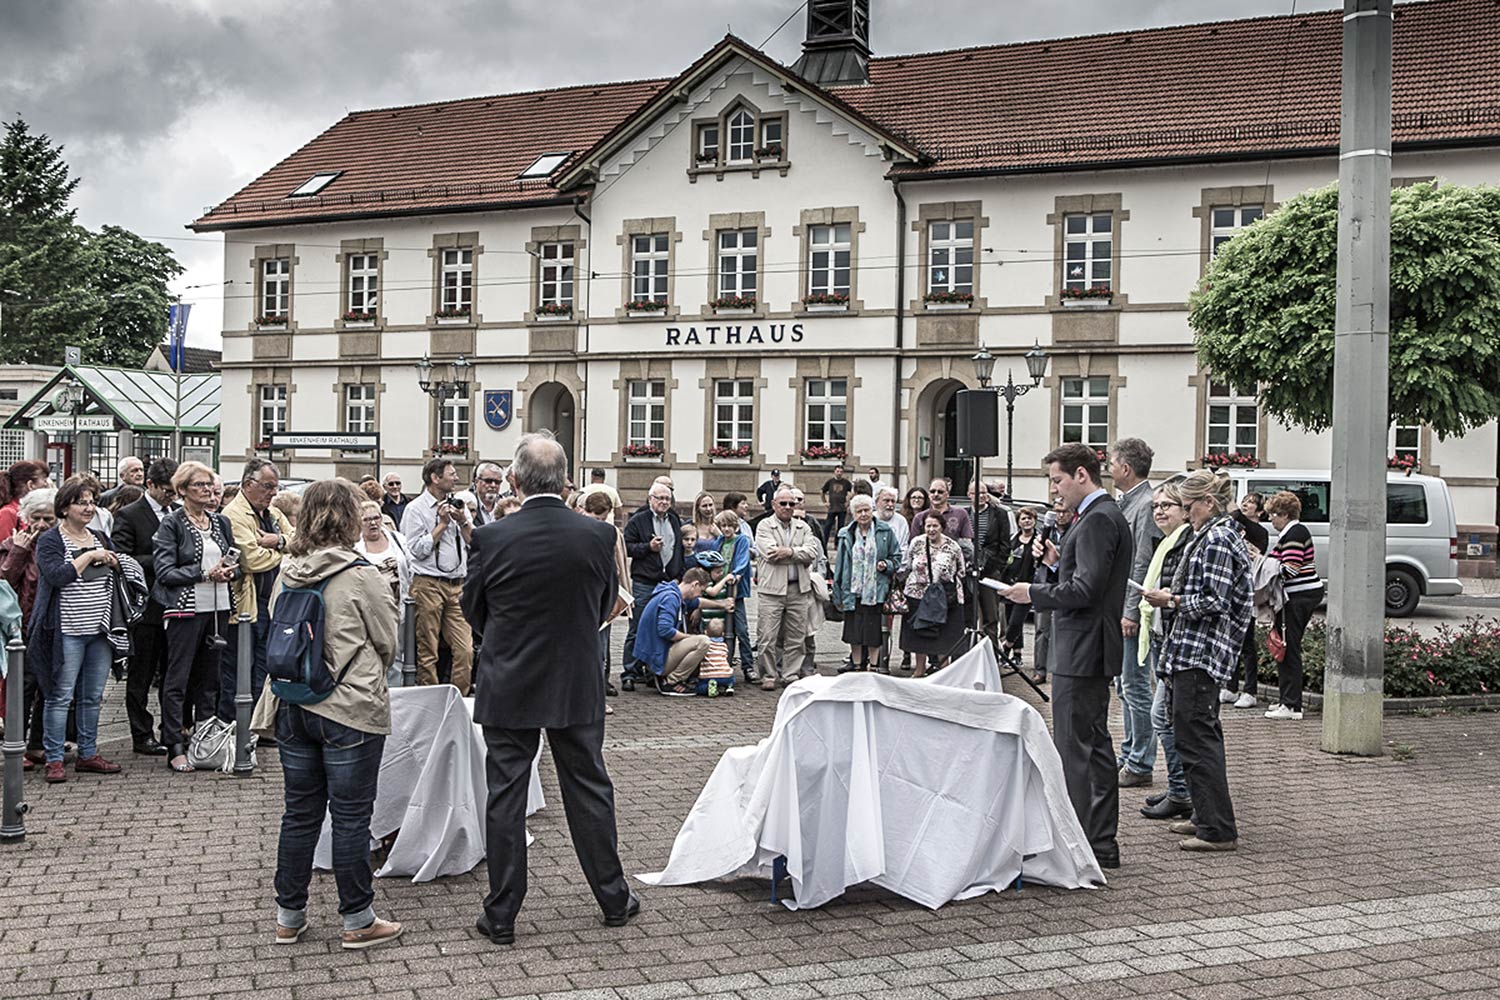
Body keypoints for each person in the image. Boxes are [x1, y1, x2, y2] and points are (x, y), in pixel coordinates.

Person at [462, 431, 638, 945]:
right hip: (574, 677)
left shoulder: (492, 537)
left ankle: (501, 914)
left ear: (514, 480)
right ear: (565, 482)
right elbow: (605, 603)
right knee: (588, 788)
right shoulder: (597, 535)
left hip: (509, 677)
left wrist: (506, 638)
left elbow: (474, 608)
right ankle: (613, 898)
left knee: (506, 795)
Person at [252, 478, 404, 950]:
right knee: (351, 816)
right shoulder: (361, 575)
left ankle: (288, 915)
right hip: (348, 707)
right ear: (350, 518)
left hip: (293, 702)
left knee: (299, 813)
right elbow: (388, 640)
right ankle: (358, 918)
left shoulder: (288, 571)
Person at [998, 443, 1132, 871]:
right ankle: (1096, 840)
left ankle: (1084, 843)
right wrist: (1057, 565)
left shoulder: (1098, 519)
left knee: (1079, 749)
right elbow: (1087, 581)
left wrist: (1033, 591)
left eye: (1057, 480)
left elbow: (1087, 591)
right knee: (1090, 744)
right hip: (1087, 645)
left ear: (1081, 475)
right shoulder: (1100, 515)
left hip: (1083, 647)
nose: (1054, 490)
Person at [1141, 470, 1251, 852]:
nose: (1186, 514)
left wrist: (1171, 600)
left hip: (1201, 653)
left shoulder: (1218, 538)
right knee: (1193, 738)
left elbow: (1215, 600)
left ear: (1209, 502)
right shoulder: (1212, 534)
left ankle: (1217, 829)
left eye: (1189, 506)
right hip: (1192, 651)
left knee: (1199, 741)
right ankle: (1205, 816)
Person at [28, 477, 135, 783]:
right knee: (59, 695)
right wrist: (89, 556)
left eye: (92, 502)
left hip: (100, 631)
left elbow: (118, 573)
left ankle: (88, 753)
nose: (88, 508)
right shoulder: (51, 540)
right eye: (81, 503)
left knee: (92, 696)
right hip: (65, 631)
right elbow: (57, 576)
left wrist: (115, 562)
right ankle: (54, 758)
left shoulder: (100, 536)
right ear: (64, 508)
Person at [153, 460, 237, 774]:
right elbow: (164, 571)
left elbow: (236, 559)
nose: (207, 490)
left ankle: (204, 741)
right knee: (178, 677)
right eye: (199, 485)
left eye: (209, 485)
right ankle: (174, 744)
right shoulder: (172, 524)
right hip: (185, 608)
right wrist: (203, 574)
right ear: (183, 489)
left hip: (218, 606)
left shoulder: (219, 522)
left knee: (211, 678)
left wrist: (231, 571)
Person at [111, 457, 178, 755]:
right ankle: (141, 734)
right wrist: (164, 560)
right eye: (167, 491)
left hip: (177, 605)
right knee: (141, 675)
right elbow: (122, 558)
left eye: (175, 491)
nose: (171, 497)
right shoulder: (130, 515)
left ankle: (172, 729)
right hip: (147, 608)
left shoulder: (177, 512)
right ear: (150, 485)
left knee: (173, 673)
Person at [220, 458, 293, 727]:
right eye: (268, 486)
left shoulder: (272, 513)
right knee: (239, 669)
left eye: (275, 487)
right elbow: (251, 559)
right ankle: (233, 727)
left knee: (264, 667)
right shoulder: (235, 514)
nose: (273, 493)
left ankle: (256, 726)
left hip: (273, 602)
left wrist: (278, 541)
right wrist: (285, 555)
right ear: (248, 484)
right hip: (246, 606)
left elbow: (301, 539)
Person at [1137, 483, 1195, 821]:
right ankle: (1179, 787)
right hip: (1162, 636)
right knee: (1164, 716)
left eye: (1167, 505)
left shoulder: (1184, 542)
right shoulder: (1167, 542)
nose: (1159, 511)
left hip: (1175, 641)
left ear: (1184, 510)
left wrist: (1167, 599)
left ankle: (1181, 791)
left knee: (1162, 716)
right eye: (1156, 506)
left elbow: (1182, 594)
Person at [1110, 437, 1161, 790]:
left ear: (1126, 468)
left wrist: (1130, 611)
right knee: (1125, 686)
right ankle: (1130, 752)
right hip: (1122, 607)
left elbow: (1141, 562)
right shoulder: (1130, 501)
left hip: (1134, 610)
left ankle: (1141, 761)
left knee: (1136, 685)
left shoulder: (1144, 505)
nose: (1109, 468)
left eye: (1112, 463)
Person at [403, 458, 474, 694]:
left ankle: (458, 700)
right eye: (451, 474)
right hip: (428, 584)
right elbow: (416, 550)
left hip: (457, 585)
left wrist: (462, 520)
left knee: (465, 649)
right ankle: (430, 701)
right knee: (428, 650)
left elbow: (474, 542)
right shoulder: (415, 509)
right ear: (435, 478)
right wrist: (442, 525)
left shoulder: (458, 504)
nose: (456, 478)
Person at [2, 488, 56, 768]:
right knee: (23, 687)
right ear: (25, 517)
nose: (42, 524)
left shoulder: (58, 544)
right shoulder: (13, 544)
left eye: (49, 518)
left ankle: (37, 744)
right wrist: (19, 551)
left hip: (52, 625)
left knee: (48, 686)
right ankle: (16, 744)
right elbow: (5, 581)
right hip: (22, 627)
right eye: (36, 518)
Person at [753, 487, 821, 691]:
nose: (788, 507)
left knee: (796, 636)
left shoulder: (804, 527)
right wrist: (798, 555)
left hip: (798, 589)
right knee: (767, 636)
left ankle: (790, 674)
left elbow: (812, 552)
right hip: (771, 590)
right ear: (774, 505)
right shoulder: (764, 525)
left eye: (792, 503)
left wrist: (789, 552)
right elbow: (770, 553)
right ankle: (768, 675)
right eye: (783, 503)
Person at [1263, 490, 1322, 721]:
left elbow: (1290, 569)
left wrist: (1263, 563)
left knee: (1287, 648)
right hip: (1298, 596)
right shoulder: (1293, 532)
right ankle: (1287, 700)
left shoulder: (1295, 533)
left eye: (1273, 514)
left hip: (1296, 597)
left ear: (1285, 514)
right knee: (1287, 647)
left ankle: (1291, 705)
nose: (1271, 519)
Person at [620, 481, 684, 691]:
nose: (664, 502)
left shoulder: (674, 519)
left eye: (667, 499)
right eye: (660, 498)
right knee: (638, 627)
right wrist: (648, 547)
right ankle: (630, 672)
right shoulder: (639, 520)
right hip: (645, 582)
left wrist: (678, 575)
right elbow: (626, 547)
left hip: (668, 582)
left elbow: (678, 550)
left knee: (661, 627)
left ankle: (652, 671)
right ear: (650, 499)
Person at [833, 495, 899, 672]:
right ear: (853, 514)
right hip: (852, 590)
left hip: (875, 591)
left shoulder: (885, 531)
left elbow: (897, 557)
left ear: (872, 510)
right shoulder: (845, 534)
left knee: (872, 632)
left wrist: (886, 565)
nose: (863, 514)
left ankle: (874, 666)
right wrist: (837, 590)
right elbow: (839, 565)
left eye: (866, 510)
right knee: (854, 631)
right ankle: (856, 665)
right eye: (859, 511)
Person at [898, 512, 967, 678]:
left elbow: (961, 571)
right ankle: (919, 670)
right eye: (928, 526)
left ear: (942, 527)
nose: (931, 529)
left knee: (944, 635)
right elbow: (909, 565)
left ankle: (944, 672)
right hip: (917, 595)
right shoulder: (917, 542)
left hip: (944, 597)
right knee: (919, 634)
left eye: (935, 525)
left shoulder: (952, 546)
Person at [1221, 498, 1270, 709]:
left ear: (1259, 511)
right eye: (1244, 501)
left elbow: (1239, 517)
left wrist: (1227, 498)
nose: (1245, 505)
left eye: (1251, 503)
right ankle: (1231, 687)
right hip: (1232, 589)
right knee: (1230, 641)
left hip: (1248, 592)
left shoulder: (1260, 532)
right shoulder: (1235, 526)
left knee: (1247, 644)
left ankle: (1250, 691)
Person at [633, 567, 712, 696]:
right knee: (703, 641)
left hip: (653, 655)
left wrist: (722, 604)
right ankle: (671, 682)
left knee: (696, 640)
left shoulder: (671, 593)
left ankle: (667, 678)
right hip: (657, 658)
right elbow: (665, 631)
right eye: (701, 591)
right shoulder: (671, 598)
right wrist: (688, 637)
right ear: (695, 584)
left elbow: (697, 603)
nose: (700, 594)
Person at [582, 490, 629, 704]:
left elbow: (615, 568)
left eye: (603, 518)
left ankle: (598, 696)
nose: (599, 523)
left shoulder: (608, 533)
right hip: (583, 600)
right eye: (596, 518)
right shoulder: (577, 531)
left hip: (602, 600)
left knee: (601, 650)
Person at [969, 479, 1012, 658]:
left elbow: (1005, 544)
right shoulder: (964, 514)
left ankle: (991, 656)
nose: (981, 496)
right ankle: (968, 656)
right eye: (976, 493)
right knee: (969, 617)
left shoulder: (999, 514)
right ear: (969, 495)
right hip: (969, 571)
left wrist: (997, 566)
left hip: (990, 571)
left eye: (983, 492)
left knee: (991, 617)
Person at [711, 509, 753, 680]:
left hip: (736, 590)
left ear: (736, 526)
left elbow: (743, 561)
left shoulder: (741, 540)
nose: (726, 529)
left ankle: (748, 665)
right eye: (723, 526)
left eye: (730, 525)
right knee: (723, 629)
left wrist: (735, 575)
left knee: (741, 630)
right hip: (721, 590)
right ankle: (724, 663)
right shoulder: (719, 542)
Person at [999, 505, 1041, 666]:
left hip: (1028, 586)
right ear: (1018, 522)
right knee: (1011, 620)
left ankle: (1006, 647)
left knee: (1017, 620)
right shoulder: (1013, 540)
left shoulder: (1038, 541)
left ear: (1035, 520)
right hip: (1009, 585)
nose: (1027, 521)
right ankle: (1017, 654)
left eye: (1030, 518)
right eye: (1023, 518)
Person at [355, 499, 412, 612]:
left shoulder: (398, 539)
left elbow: (412, 566)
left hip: (401, 605)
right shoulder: (355, 547)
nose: (373, 523)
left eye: (376, 518)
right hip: (371, 608)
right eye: (366, 519)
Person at [0, 460, 50, 544]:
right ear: (30, 485)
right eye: (44, 480)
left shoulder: (23, 510)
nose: (47, 485)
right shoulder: (8, 513)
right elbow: (3, 548)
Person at [696, 618, 734, 696]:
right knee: (732, 678)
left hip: (708, 675)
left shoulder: (706, 645)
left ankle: (709, 687)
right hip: (725, 675)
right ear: (723, 634)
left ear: (705, 632)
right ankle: (729, 686)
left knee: (699, 687)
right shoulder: (724, 646)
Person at [821, 465, 853, 546]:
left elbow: (852, 492)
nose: (839, 473)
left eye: (841, 472)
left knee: (840, 526)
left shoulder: (846, 482)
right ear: (834, 472)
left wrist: (848, 502)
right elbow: (822, 491)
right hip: (832, 507)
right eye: (837, 471)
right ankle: (824, 543)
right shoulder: (830, 482)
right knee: (828, 525)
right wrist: (825, 502)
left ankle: (837, 544)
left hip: (842, 508)